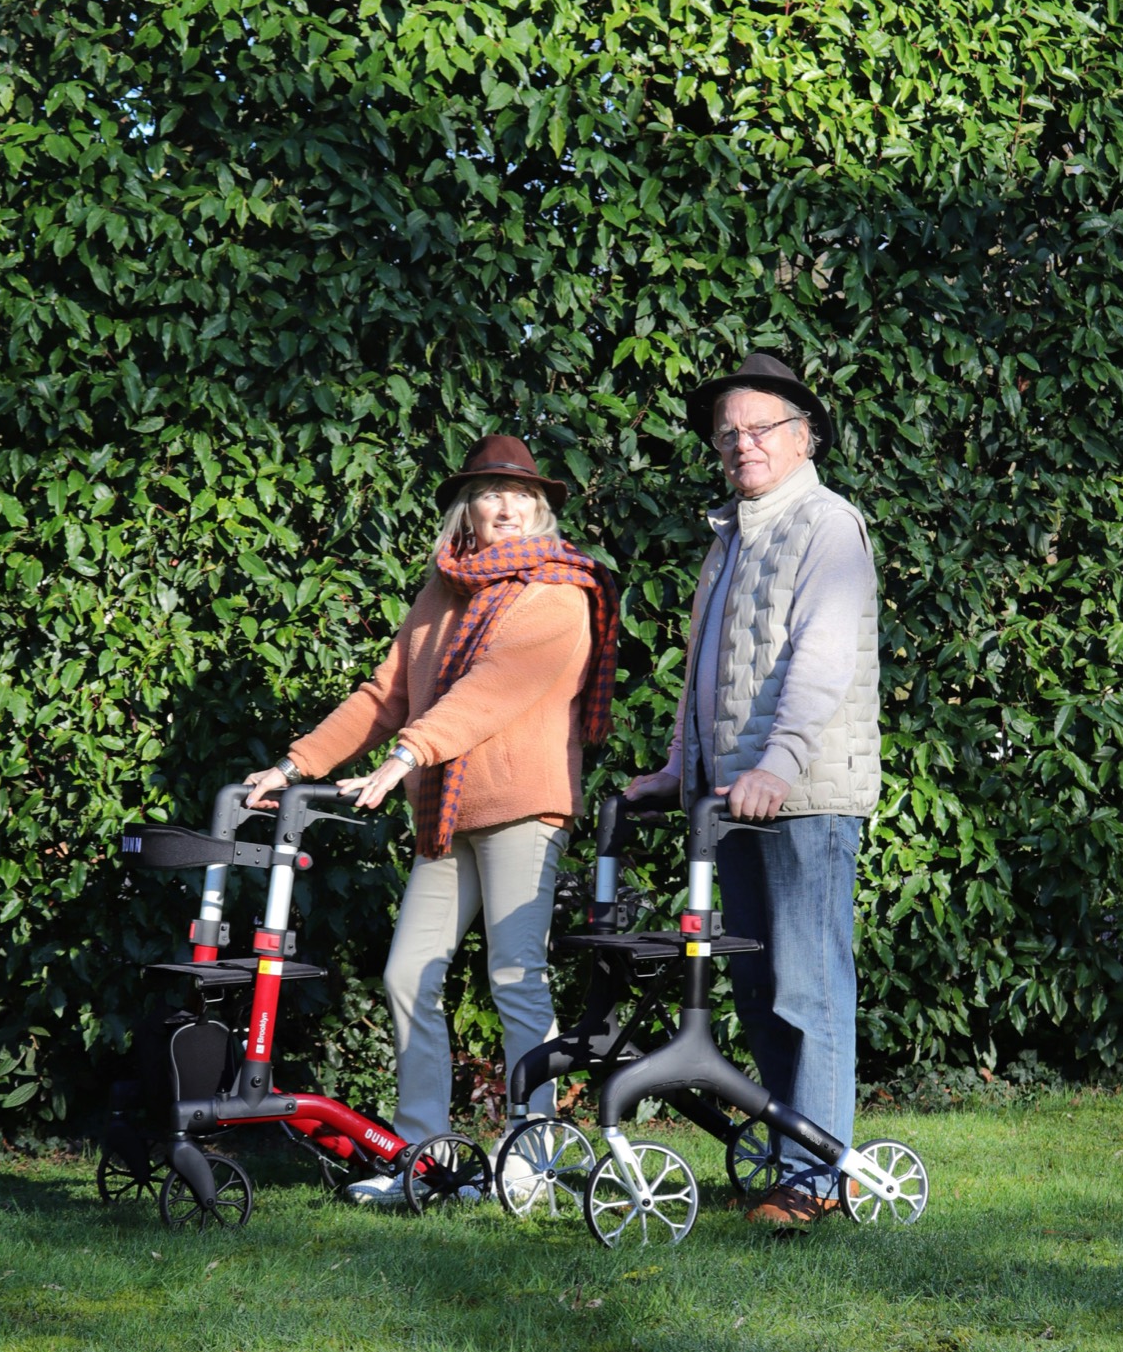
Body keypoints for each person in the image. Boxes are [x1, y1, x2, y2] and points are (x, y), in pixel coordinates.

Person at [245, 435, 619, 1206]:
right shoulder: (441, 596)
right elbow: (385, 695)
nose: (507, 506)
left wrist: (408, 756)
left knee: (516, 978)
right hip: (447, 812)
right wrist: (293, 766)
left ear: (542, 510)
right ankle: (421, 1158)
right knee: (407, 973)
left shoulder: (560, 593)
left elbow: (490, 690)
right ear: (466, 511)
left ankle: (533, 1160)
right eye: (489, 494)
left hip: (525, 808)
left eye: (522, 496)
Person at [626, 353, 880, 1231]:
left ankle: (817, 1176)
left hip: (802, 793)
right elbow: (708, 672)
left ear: (804, 437)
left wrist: (778, 762)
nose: (741, 444)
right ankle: (786, 1158)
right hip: (733, 798)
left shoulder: (826, 524)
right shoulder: (731, 535)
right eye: (727, 433)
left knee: (807, 986)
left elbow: (821, 657)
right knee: (760, 988)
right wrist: (678, 768)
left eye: (760, 428)